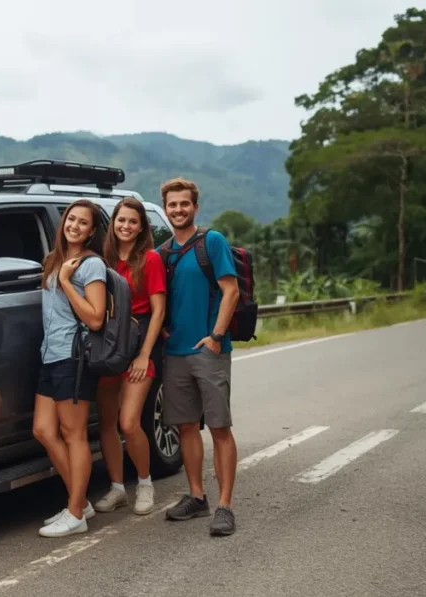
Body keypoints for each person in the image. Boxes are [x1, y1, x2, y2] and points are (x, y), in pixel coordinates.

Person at [156, 177, 240, 537]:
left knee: (219, 427)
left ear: (195, 207)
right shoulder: (162, 253)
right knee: (186, 426)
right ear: (166, 208)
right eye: (172, 205)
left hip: (209, 350)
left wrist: (217, 337)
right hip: (175, 354)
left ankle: (225, 505)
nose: (178, 210)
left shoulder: (211, 241)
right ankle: (196, 496)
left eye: (184, 204)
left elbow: (230, 290)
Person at [33, 198, 108, 538]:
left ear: (92, 231)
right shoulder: (54, 259)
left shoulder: (90, 266)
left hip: (74, 357)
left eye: (83, 222)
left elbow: (95, 318)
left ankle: (76, 511)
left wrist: (65, 281)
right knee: (43, 430)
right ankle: (80, 501)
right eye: (71, 219)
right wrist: (58, 272)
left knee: (73, 434)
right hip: (50, 354)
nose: (74, 225)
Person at [91, 197, 166, 516]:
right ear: (114, 223)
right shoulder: (100, 259)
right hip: (108, 346)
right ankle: (118, 488)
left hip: (138, 345)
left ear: (142, 227)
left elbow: (159, 309)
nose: (126, 226)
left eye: (133, 221)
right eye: (121, 220)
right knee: (107, 423)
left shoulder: (149, 259)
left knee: (129, 421)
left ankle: (145, 484)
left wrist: (143, 355)